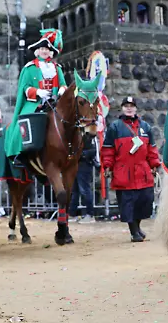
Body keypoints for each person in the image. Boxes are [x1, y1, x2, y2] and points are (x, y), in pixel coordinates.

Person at [101, 96, 161, 242]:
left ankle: (138, 226)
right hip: (123, 171)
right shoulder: (115, 127)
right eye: (126, 105)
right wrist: (107, 166)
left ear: (136, 108)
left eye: (132, 105)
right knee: (127, 203)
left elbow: (151, 149)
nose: (129, 108)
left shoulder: (145, 127)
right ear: (122, 108)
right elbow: (108, 149)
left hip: (142, 170)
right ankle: (134, 232)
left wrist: (154, 165)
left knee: (144, 200)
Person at [5, 29, 66, 167]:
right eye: (42, 48)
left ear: (51, 52)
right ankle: (20, 153)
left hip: (54, 102)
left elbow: (63, 84)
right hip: (35, 103)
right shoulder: (29, 68)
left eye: (47, 49)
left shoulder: (57, 68)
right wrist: (38, 92)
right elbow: (24, 88)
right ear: (37, 51)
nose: (44, 51)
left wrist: (62, 90)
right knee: (25, 120)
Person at [69, 134, 98, 223]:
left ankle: (90, 214)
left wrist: (79, 154)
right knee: (75, 191)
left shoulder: (89, 136)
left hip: (84, 164)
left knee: (84, 190)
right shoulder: (77, 135)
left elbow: (93, 151)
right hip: (75, 164)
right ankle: (73, 214)